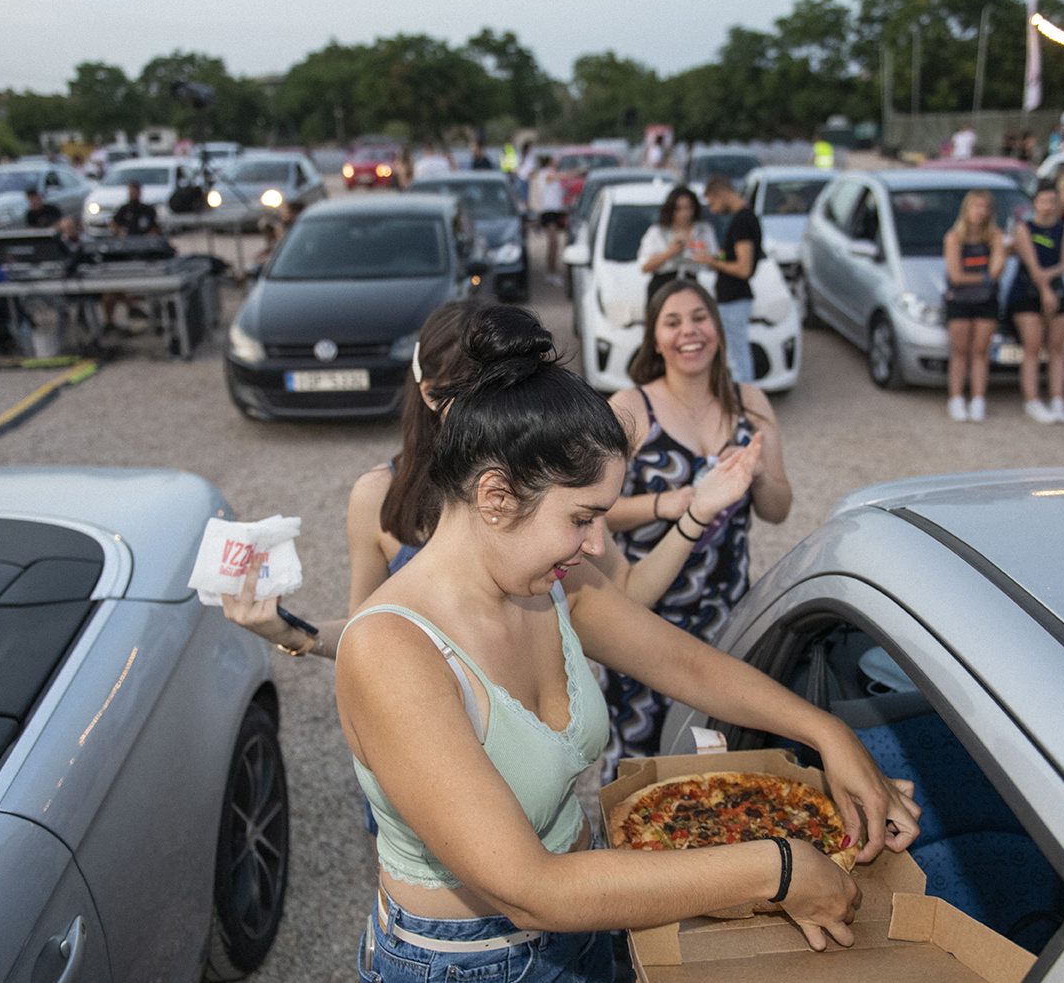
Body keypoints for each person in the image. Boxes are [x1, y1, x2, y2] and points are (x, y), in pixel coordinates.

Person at [332, 304, 919, 983]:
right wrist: (778, 867)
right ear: (496, 496)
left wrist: (826, 731)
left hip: (591, 914)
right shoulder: (391, 650)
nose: (596, 544)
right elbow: (529, 888)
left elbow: (682, 660)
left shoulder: (553, 582)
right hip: (472, 961)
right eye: (581, 517)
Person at [221, 302, 755, 660]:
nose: (504, 409)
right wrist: (293, 634)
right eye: (476, 392)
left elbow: (627, 595)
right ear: (430, 392)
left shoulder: (549, 492)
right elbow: (369, 631)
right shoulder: (377, 496)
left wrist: (695, 512)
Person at [603, 278, 792, 771]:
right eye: (673, 321)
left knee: (722, 761)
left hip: (729, 614)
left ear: (719, 328)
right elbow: (592, 510)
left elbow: (778, 510)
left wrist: (758, 472)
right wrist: (671, 503)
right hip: (649, 619)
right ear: (655, 338)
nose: (689, 331)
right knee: (643, 766)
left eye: (699, 317)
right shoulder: (629, 408)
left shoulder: (750, 402)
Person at [1006, 181, 1064, 424]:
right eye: (1043, 201)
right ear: (1035, 203)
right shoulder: (1024, 229)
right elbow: (1033, 267)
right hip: (1027, 292)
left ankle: (1058, 399)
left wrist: (1052, 275)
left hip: (1057, 289)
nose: (1048, 206)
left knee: (1057, 348)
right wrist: (1045, 289)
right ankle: (1032, 400)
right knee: (1033, 346)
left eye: (1052, 201)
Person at [942, 189, 1007, 422]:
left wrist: (1000, 246)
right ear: (966, 209)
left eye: (985, 207)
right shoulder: (954, 238)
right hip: (959, 301)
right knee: (959, 351)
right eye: (976, 206)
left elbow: (997, 271)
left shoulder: (994, 237)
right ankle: (956, 398)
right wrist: (984, 277)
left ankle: (978, 399)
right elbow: (956, 276)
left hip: (986, 301)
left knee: (980, 351)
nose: (980, 211)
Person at [691, 175, 761, 384]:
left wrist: (710, 261)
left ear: (721, 194)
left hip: (734, 300)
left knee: (737, 359)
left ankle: (745, 404)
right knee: (735, 356)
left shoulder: (742, 221)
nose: (712, 209)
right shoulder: (746, 218)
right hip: (733, 299)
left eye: (711, 202)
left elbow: (743, 268)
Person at [636, 186, 718, 303]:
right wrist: (670, 252)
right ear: (671, 210)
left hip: (691, 283)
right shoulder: (657, 232)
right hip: (663, 284)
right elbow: (645, 267)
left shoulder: (703, 230)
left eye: (688, 208)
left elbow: (716, 259)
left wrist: (707, 259)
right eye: (679, 209)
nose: (685, 213)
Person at [101, 181, 161, 330]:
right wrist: (119, 233)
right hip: (125, 254)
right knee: (110, 286)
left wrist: (144, 241)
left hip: (146, 255)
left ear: (140, 192)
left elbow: (156, 230)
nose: (132, 194)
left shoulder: (147, 210)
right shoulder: (124, 209)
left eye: (135, 191)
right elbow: (112, 224)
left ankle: (155, 318)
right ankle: (114, 320)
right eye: (130, 191)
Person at [532, 155, 566, 282]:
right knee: (553, 242)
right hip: (548, 212)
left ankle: (551, 271)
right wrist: (577, 171)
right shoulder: (546, 174)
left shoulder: (550, 174)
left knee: (554, 244)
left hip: (555, 211)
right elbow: (562, 175)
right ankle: (551, 272)